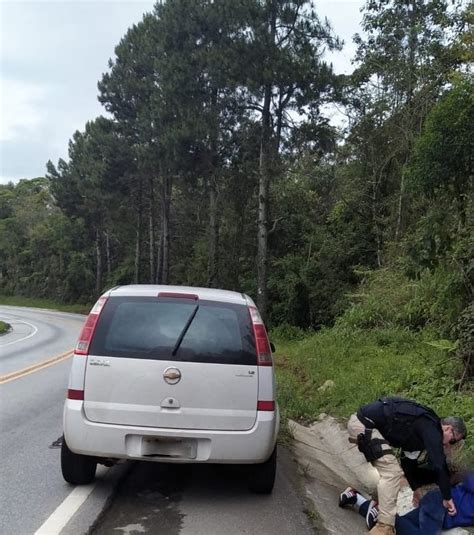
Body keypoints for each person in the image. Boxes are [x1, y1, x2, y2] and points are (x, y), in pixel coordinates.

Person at [347, 397, 467, 535]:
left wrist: (415, 488)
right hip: (364, 424)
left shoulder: (420, 432)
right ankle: (384, 527)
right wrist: (447, 497)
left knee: (394, 472)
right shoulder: (432, 427)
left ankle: (370, 508)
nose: (448, 445)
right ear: (447, 428)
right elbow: (439, 464)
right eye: (452, 441)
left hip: (366, 425)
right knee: (392, 473)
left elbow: (407, 464)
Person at [339, 473, 474, 534]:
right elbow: (463, 476)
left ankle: (355, 498)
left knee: (392, 529)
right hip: (439, 504)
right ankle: (379, 509)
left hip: (438, 513)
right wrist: (447, 494)